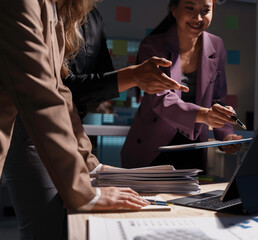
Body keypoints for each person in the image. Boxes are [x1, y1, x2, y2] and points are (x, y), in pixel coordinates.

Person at [0, 1, 187, 239]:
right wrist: (85, 193)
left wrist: (90, 164)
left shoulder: (54, 11)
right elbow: (40, 97)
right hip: (27, 134)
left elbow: (60, 94)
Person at [121, 0, 242, 172]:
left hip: (194, 148)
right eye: (190, 8)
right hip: (153, 148)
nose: (198, 17)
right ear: (174, 10)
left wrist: (226, 135)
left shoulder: (217, 45)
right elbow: (161, 100)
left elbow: (218, 98)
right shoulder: (152, 46)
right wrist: (205, 115)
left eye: (205, 10)